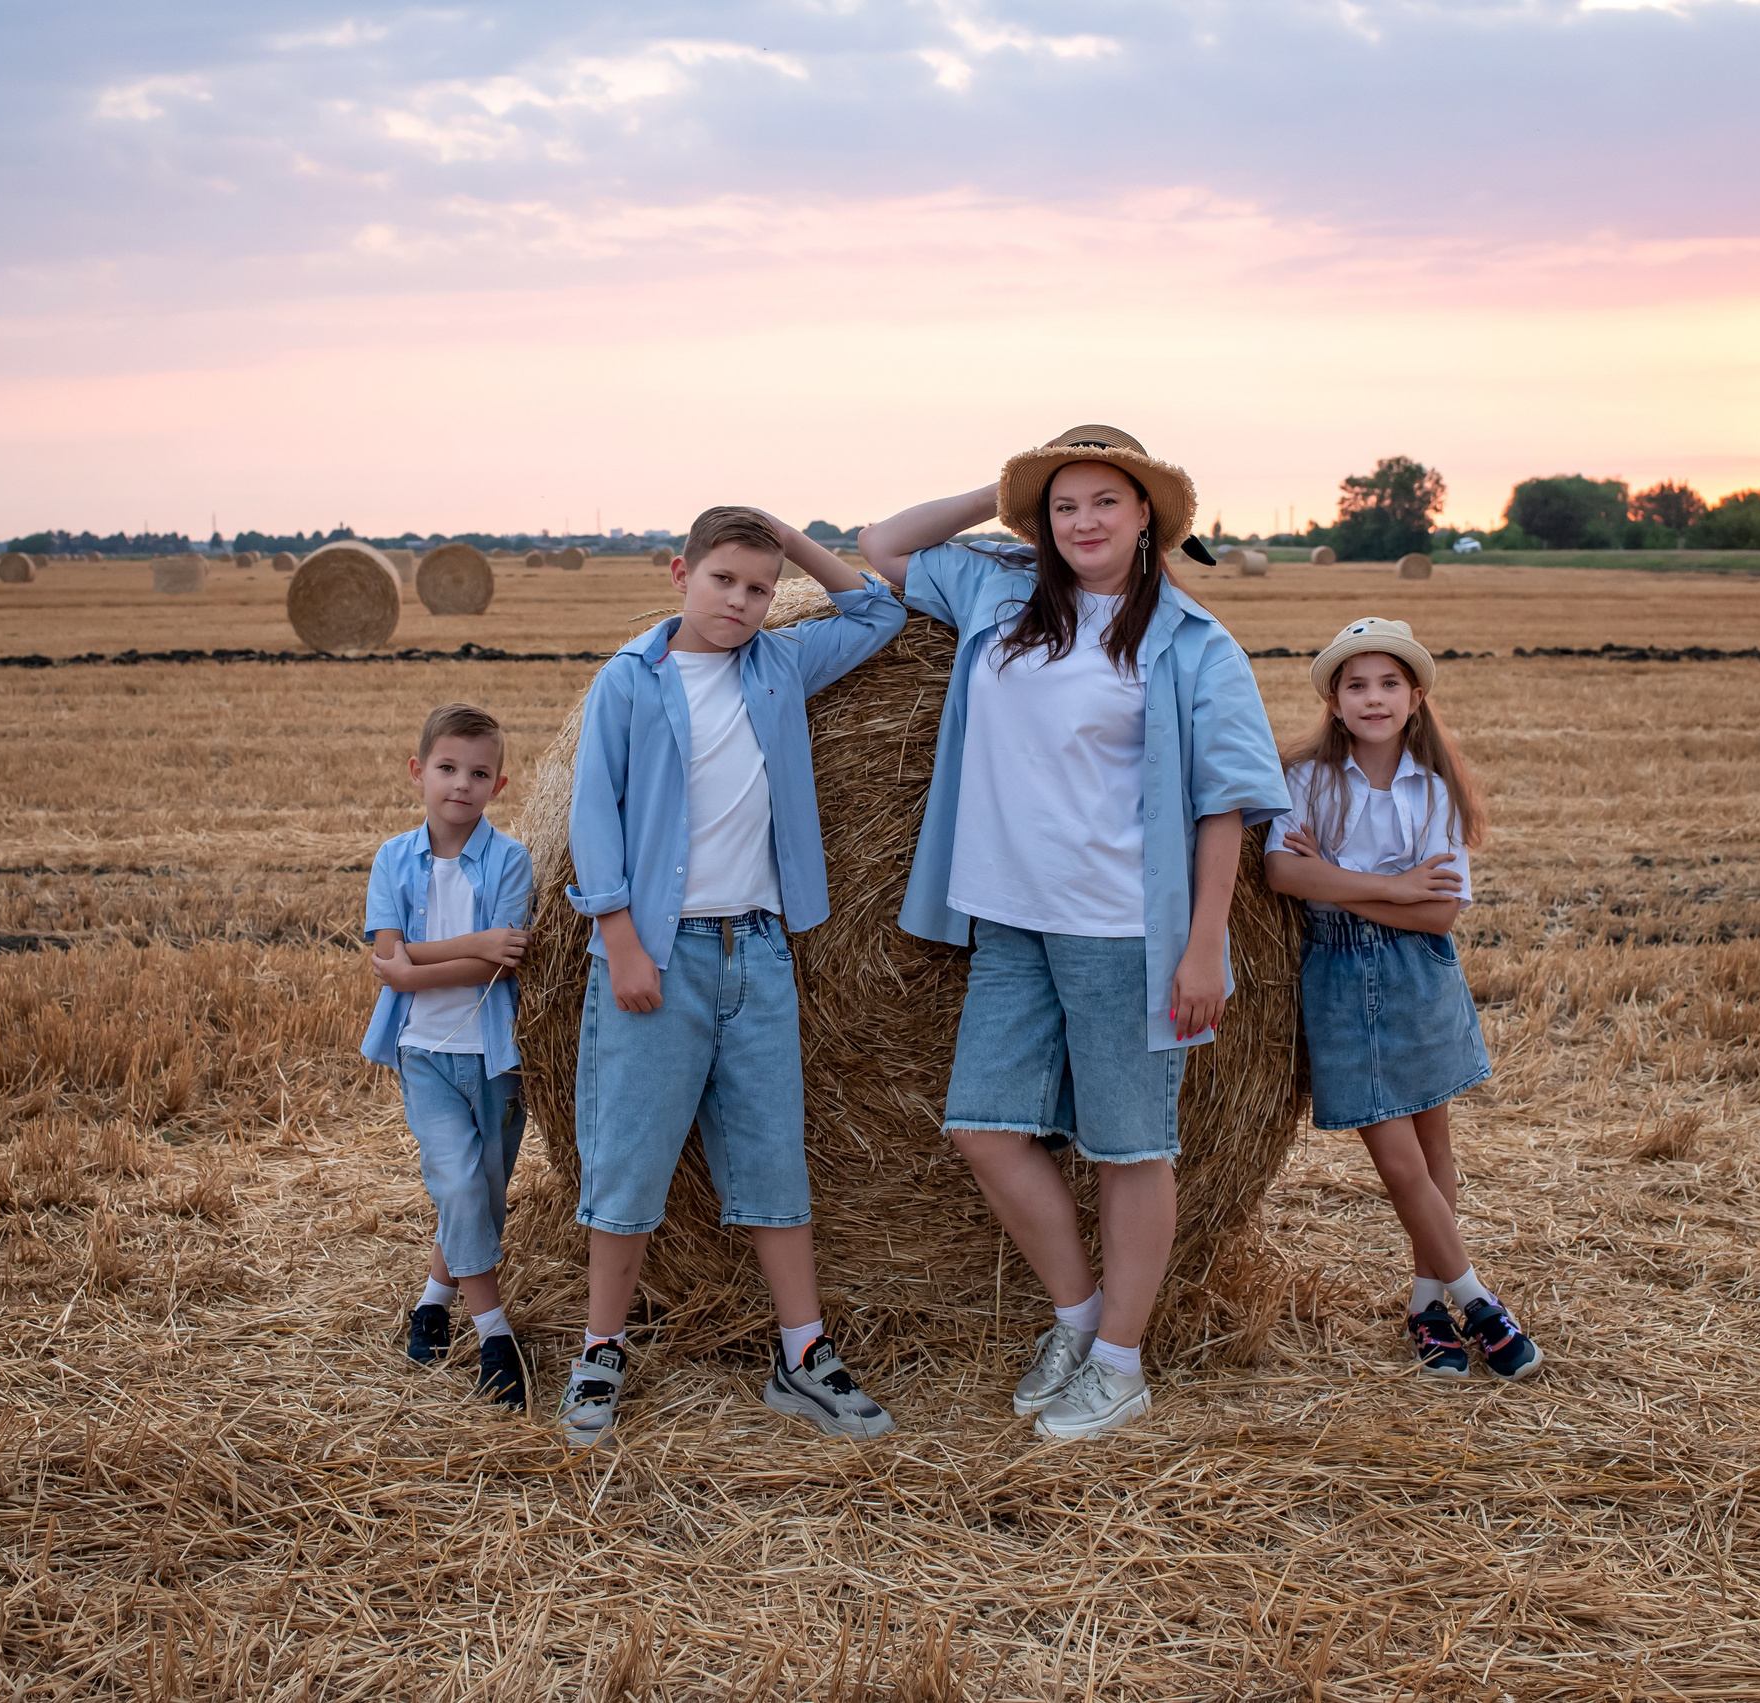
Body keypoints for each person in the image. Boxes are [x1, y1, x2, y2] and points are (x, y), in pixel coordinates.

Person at [859, 426, 1285, 1441]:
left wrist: (1204, 943)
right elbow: (881, 544)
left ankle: (1121, 1363)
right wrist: (1006, 492)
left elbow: (1225, 804)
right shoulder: (1001, 596)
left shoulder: (1192, 642)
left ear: (1147, 515)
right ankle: (1079, 1317)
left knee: (1130, 1147)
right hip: (1008, 916)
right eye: (1063, 504)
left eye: (1104, 500)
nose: (1082, 520)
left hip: (1123, 927)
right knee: (982, 1125)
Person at [558, 505, 908, 1447]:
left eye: (760, 587)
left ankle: (803, 1355)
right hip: (659, 955)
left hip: (758, 949)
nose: (743, 602)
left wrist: (795, 543)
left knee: (771, 1157)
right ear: (681, 572)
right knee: (629, 1159)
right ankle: (600, 1347)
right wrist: (622, 940)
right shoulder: (631, 681)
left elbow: (877, 616)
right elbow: (594, 816)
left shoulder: (780, 664)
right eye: (725, 580)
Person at [1262, 618, 1542, 1381]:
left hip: (1422, 971)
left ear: (1415, 697)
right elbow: (1287, 877)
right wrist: (1393, 886)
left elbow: (1438, 913)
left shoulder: (1436, 787)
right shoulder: (1305, 780)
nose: (1373, 697)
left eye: (1388, 683)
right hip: (1341, 982)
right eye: (1356, 685)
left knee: (1433, 1151)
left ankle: (1426, 1305)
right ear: (1334, 700)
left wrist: (1342, 883)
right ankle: (1478, 1299)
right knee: (1398, 1165)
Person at [362, 702, 537, 1411]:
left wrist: (413, 963)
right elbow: (388, 957)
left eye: (478, 773)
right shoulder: (392, 858)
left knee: (480, 1197)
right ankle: (494, 1334)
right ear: (418, 773)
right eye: (446, 768)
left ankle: (432, 1302)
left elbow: (500, 964)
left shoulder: (511, 860)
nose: (460, 784)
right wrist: (455, 952)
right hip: (424, 1054)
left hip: (495, 1057)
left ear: (499, 785)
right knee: (461, 1186)